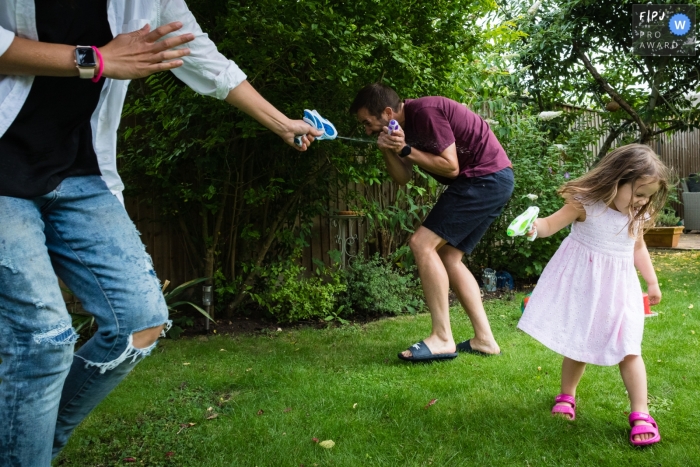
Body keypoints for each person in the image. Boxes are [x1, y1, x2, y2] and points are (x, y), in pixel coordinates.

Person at [0, 1, 321, 464]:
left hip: (81, 171)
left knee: (140, 321)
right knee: (43, 342)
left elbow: (203, 57)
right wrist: (96, 59)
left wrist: (281, 124)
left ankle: (27, 446)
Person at [349, 83, 514, 362]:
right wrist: (389, 150)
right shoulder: (401, 127)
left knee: (421, 243)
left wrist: (405, 150)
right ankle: (484, 340)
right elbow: (402, 179)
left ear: (388, 112)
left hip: (484, 178)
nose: (365, 129)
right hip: (492, 180)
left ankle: (442, 338)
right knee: (449, 256)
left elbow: (451, 167)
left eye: (367, 122)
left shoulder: (424, 112)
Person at [517, 144, 669, 446]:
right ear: (617, 180)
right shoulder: (585, 204)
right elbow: (549, 225)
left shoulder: (637, 213)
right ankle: (567, 395)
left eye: (647, 196)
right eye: (638, 193)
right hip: (585, 287)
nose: (642, 201)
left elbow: (638, 248)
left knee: (629, 347)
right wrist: (533, 227)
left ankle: (640, 412)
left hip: (620, 291)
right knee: (579, 340)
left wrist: (651, 282)